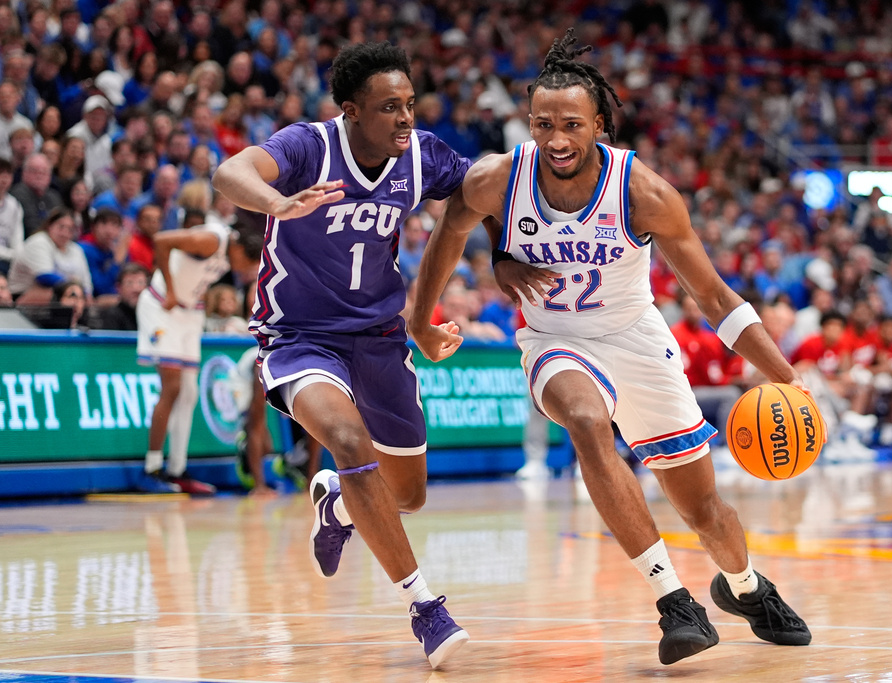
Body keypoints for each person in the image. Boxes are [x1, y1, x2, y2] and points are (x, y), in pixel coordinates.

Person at [409, 29, 814, 665]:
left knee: (707, 513)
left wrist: (786, 376)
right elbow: (450, 227)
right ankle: (674, 604)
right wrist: (423, 317)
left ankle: (743, 586)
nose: (557, 139)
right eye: (542, 124)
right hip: (554, 340)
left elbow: (713, 299)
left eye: (571, 123)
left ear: (600, 124)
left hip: (636, 338)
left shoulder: (643, 192)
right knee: (588, 423)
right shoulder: (499, 177)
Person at [211, 41, 471, 669]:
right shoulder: (308, 147)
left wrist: (494, 263)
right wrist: (277, 202)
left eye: (409, 104)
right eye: (389, 108)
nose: (405, 118)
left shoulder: (422, 157)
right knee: (349, 441)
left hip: (380, 338)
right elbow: (229, 174)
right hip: (300, 336)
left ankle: (335, 499)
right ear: (352, 111)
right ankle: (426, 609)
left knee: (406, 495)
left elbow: (481, 189)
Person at [136, 219, 262, 495]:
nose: (243, 271)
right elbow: (161, 240)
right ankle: (151, 468)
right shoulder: (211, 240)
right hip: (162, 305)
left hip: (189, 311)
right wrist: (171, 289)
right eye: (246, 264)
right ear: (239, 251)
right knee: (172, 387)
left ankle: (177, 470)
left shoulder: (232, 248)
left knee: (190, 392)